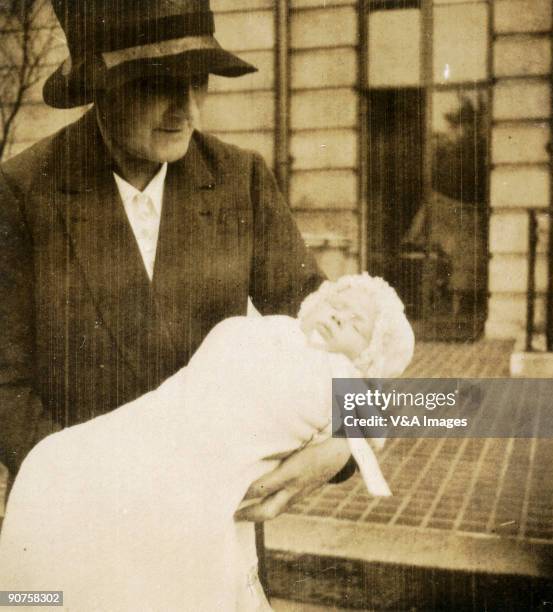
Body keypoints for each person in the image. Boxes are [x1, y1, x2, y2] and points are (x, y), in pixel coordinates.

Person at [0, 0, 356, 591]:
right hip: (80, 534)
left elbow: (334, 334)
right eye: (158, 85)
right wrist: (99, 495)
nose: (186, 110)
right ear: (99, 85)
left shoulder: (240, 179)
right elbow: (4, 382)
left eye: (199, 81)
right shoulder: (22, 193)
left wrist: (346, 444)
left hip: (215, 536)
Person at [0, 274, 415, 611]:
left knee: (166, 565)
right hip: (146, 427)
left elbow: (372, 424)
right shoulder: (268, 329)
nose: (339, 317)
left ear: (369, 357)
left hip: (207, 473)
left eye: (357, 324)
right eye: (335, 305)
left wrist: (344, 441)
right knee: (60, 469)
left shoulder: (342, 375)